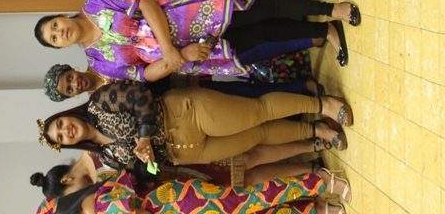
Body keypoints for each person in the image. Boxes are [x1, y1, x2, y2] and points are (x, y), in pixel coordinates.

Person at [34, 0, 357, 77]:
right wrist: (181, 57)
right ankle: (325, 30)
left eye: (54, 26)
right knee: (262, 35)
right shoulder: (99, 62)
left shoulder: (96, 1)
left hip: (191, 13)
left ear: (60, 17)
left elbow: (145, 1)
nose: (60, 33)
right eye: (54, 39)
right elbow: (144, 74)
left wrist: (170, 50)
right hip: (194, 53)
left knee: (262, 9)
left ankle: (332, 9)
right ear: (60, 48)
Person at [36, 81, 352, 170]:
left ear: (67, 115)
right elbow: (147, 169)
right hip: (187, 152)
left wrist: (144, 136)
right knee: (257, 136)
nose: (66, 130)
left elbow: (141, 95)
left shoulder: (99, 103)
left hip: (183, 113)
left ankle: (323, 105)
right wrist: (148, 160)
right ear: (68, 144)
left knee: (258, 111)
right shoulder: (106, 158)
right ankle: (317, 131)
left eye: (61, 124)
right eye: (61, 137)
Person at [36, 153, 350, 214]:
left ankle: (319, 181)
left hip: (179, 202)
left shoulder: (96, 204)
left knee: (244, 202)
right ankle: (314, 208)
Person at [42, 62, 325, 102]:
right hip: (181, 93)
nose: (75, 84)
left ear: (71, 69)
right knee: (241, 93)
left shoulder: (99, 56)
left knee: (244, 62)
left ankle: (298, 62)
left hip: (182, 62)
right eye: (69, 90)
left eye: (69, 78)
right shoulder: (99, 102)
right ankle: (301, 88)